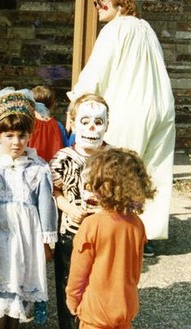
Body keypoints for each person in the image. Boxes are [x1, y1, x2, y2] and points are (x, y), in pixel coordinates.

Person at [67, 0, 175, 254]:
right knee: (151, 168)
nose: (97, 4)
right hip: (160, 105)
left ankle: (119, 232)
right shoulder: (146, 28)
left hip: (130, 107)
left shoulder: (114, 30)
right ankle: (144, 234)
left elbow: (96, 71)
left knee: (118, 168)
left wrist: (78, 103)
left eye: (102, 0)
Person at [0, 87, 58, 328]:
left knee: (19, 284)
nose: (16, 142)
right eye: (9, 135)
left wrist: (46, 241)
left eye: (21, 135)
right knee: (2, 286)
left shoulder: (37, 167)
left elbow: (45, 204)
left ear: (29, 135)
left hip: (27, 235)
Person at [66, 147, 156, 328]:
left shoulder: (91, 225)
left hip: (95, 312)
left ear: (100, 187)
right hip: (125, 308)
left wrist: (72, 301)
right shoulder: (137, 224)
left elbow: (78, 273)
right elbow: (135, 273)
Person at [49, 93, 110, 329]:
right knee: (70, 282)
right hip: (72, 233)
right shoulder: (62, 158)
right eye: (85, 122)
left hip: (104, 233)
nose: (92, 127)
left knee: (100, 282)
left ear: (107, 124)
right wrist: (69, 208)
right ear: (72, 123)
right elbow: (54, 191)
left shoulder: (114, 158)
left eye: (98, 121)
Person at [28, 84, 67, 162]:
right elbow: (66, 147)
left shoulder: (28, 123)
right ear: (53, 104)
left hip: (32, 166)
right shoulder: (58, 125)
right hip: (53, 167)